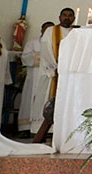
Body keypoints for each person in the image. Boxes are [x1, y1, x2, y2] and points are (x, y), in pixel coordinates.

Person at [32, 8, 76, 141]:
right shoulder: (50, 31)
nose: (67, 18)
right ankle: (41, 130)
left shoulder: (76, 32)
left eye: (70, 16)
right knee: (47, 100)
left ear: (73, 18)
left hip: (69, 74)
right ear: (59, 17)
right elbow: (46, 50)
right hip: (52, 73)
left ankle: (61, 130)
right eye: (64, 15)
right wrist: (56, 67)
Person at [18, 22, 52, 134]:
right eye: (45, 29)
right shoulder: (32, 42)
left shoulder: (54, 43)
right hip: (33, 77)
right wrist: (41, 57)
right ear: (41, 30)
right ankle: (25, 128)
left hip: (48, 78)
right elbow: (25, 57)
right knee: (29, 100)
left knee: (45, 100)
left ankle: (43, 129)